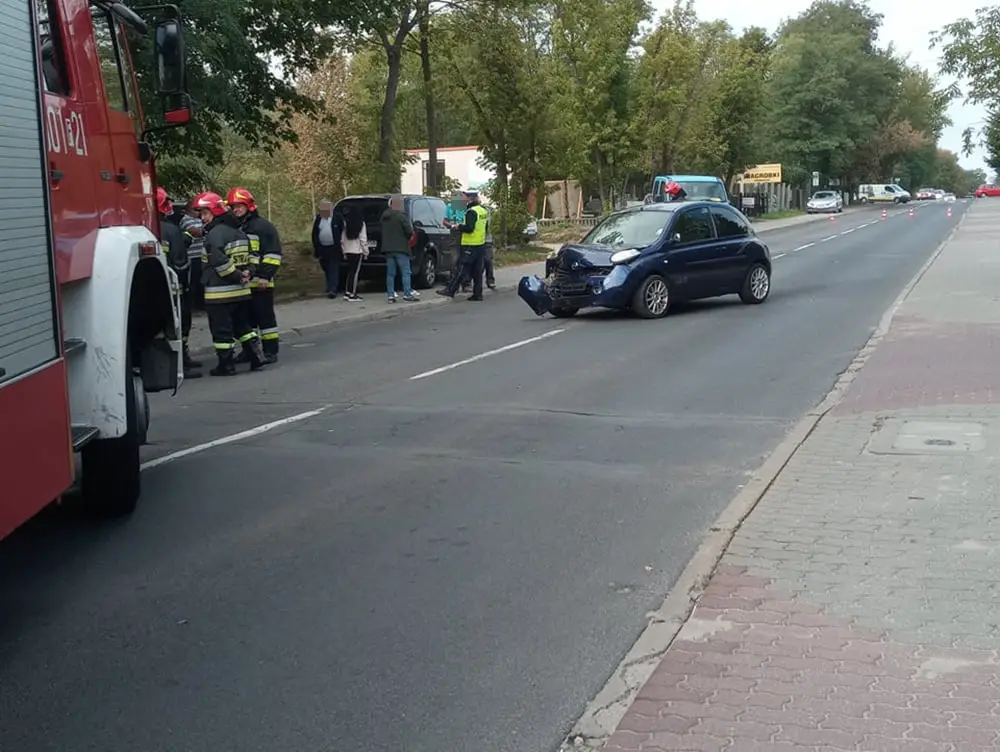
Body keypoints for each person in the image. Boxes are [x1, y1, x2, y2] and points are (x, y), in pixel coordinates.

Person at [190, 191, 267, 375]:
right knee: (243, 327)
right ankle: (256, 357)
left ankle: (226, 365)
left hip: (219, 294)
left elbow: (219, 262)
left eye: (205, 213)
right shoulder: (239, 232)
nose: (202, 218)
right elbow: (253, 256)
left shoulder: (214, 235)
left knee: (221, 331)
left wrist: (237, 275)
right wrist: (248, 273)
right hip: (241, 293)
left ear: (215, 211)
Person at [227, 187, 281, 364]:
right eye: (233, 207)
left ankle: (270, 351)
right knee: (247, 321)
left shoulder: (263, 227)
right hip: (243, 284)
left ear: (248, 205)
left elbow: (273, 254)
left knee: (265, 319)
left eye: (239, 206)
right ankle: (250, 351)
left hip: (260, 282)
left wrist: (265, 276)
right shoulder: (237, 227)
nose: (236, 209)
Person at [156, 187, 202, 378]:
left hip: (155, 290)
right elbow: (181, 262)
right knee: (180, 324)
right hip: (175, 289)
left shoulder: (144, 229)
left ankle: (167, 363)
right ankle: (182, 364)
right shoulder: (171, 230)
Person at [437, 190, 488, 301]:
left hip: (470, 244)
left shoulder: (471, 211)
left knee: (461, 268)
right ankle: (477, 294)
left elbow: (469, 228)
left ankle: (451, 290)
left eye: (464, 197)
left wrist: (458, 227)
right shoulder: (482, 210)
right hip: (480, 244)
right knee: (477, 271)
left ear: (469, 198)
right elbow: (485, 227)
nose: (463, 199)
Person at [380, 195, 420, 303]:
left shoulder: (383, 216)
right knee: (406, 272)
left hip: (388, 249)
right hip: (401, 248)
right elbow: (409, 231)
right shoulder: (400, 216)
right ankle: (407, 294)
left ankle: (390, 296)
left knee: (390, 273)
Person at [312, 200, 343, 298]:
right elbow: (315, 233)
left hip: (334, 247)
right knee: (325, 267)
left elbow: (342, 231)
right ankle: (330, 285)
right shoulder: (319, 219)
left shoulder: (337, 218)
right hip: (322, 247)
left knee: (333, 267)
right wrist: (316, 247)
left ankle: (333, 289)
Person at [179, 204, 206, 309]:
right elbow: (196, 232)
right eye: (195, 209)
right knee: (193, 281)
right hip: (192, 256)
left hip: (202, 255)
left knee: (202, 280)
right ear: (188, 210)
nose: (198, 212)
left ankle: (201, 303)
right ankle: (192, 305)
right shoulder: (185, 220)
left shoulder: (200, 220)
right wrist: (208, 228)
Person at [340, 206, 368, 301]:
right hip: (357, 250)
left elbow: (342, 239)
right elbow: (363, 239)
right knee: (355, 273)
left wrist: (343, 250)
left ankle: (347, 292)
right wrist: (366, 251)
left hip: (348, 250)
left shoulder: (346, 223)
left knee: (350, 272)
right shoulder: (361, 223)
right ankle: (353, 293)